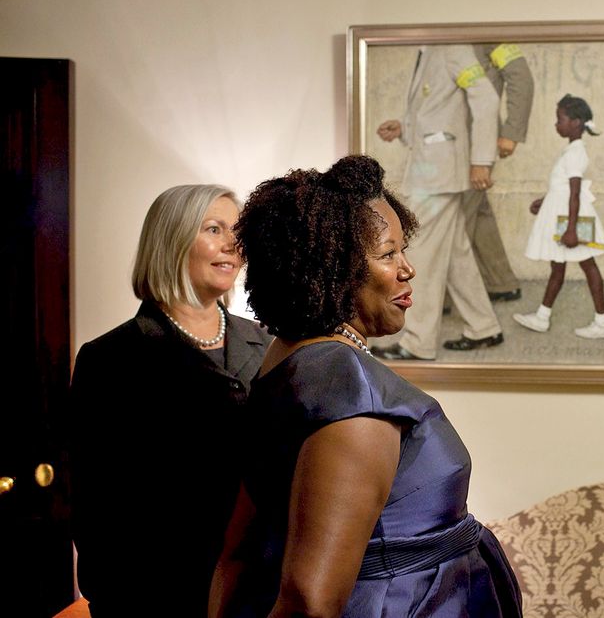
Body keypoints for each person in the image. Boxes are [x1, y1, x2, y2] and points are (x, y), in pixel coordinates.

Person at [211, 157, 522, 618]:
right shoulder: (354, 391)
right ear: (333, 266)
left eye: (403, 250)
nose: (407, 269)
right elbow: (310, 601)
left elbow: (235, 555)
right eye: (388, 254)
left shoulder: (284, 360)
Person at [68, 185, 272, 617]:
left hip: (255, 591)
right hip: (156, 594)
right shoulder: (112, 358)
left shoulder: (268, 345)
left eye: (236, 232)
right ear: (172, 239)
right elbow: (94, 505)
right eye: (214, 229)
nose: (232, 244)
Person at [375, 45, 505, 360]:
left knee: (422, 251)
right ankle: (484, 327)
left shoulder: (451, 48)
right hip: (434, 168)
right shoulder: (431, 49)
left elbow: (486, 98)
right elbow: (439, 109)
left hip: (439, 173)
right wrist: (405, 128)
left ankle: (418, 342)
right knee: (457, 252)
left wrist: (482, 160)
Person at [512, 94, 604, 339]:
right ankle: (542, 316)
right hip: (563, 218)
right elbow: (562, 189)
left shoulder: (576, 153)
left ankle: (602, 322)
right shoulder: (571, 151)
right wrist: (545, 202)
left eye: (560, 119)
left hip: (570, 222)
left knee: (588, 266)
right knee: (558, 267)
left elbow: (574, 193)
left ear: (576, 123)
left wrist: (571, 230)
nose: (556, 124)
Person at [461, 43, 535, 302]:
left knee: (456, 217)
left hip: (474, 140)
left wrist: (512, 132)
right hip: (456, 140)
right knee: (476, 210)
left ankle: (443, 296)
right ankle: (500, 282)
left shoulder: (487, 34)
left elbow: (520, 76)